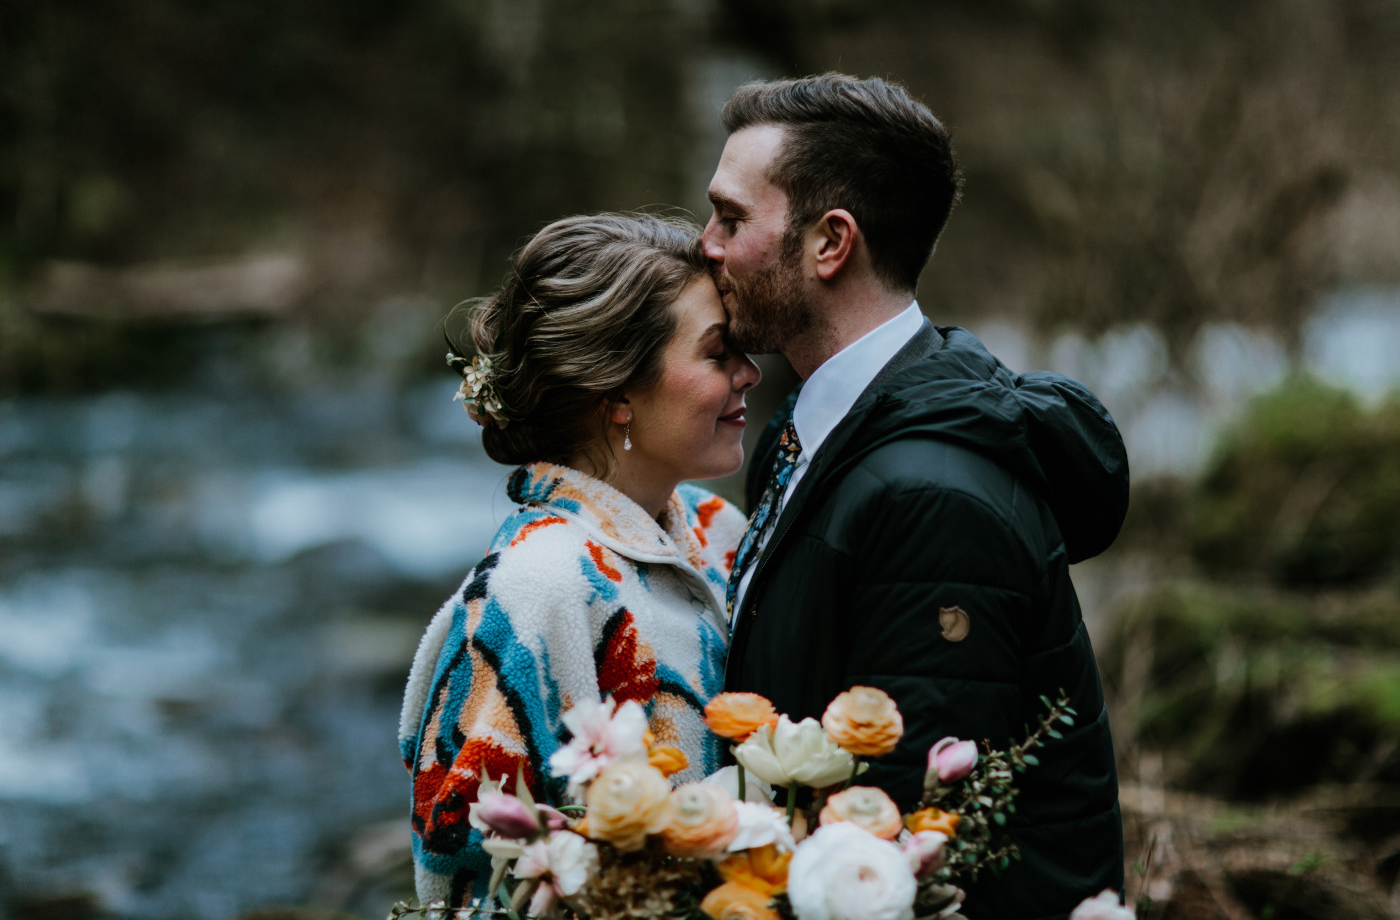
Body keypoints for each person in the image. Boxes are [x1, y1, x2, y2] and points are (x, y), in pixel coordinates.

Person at [704, 74, 1128, 920]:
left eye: (731, 217)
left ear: (831, 243)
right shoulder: (814, 429)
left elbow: (902, 852)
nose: (705, 243)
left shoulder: (931, 498)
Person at [398, 213, 760, 908]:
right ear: (617, 393)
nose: (749, 372)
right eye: (719, 353)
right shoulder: (534, 585)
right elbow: (466, 878)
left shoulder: (720, 528)